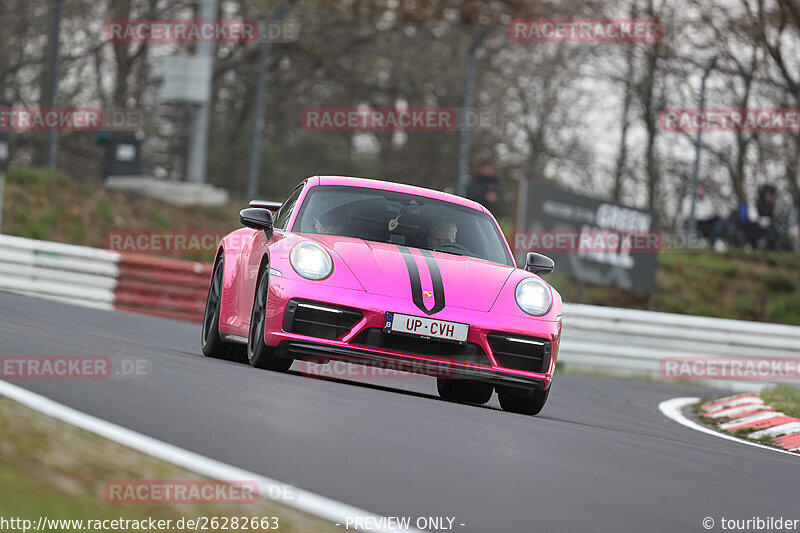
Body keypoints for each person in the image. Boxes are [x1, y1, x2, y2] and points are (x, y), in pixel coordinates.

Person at [681, 183, 726, 250]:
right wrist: (703, 215)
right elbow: (688, 214)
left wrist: (704, 215)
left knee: (720, 221)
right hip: (695, 223)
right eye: (700, 190)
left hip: (706, 222)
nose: (702, 192)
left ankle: (712, 244)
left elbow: (711, 212)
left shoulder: (707, 201)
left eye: (704, 190)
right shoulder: (688, 200)